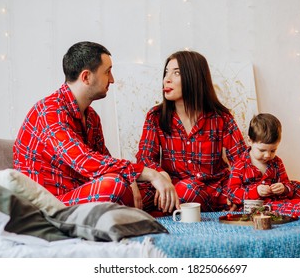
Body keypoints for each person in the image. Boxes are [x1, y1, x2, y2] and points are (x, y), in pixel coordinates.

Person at [13, 41, 179, 213]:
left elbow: (103, 159)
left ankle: (129, 210)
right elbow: (84, 160)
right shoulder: (49, 112)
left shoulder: (92, 117)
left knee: (156, 188)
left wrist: (132, 179)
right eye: (107, 72)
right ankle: (129, 210)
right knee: (115, 185)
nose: (113, 80)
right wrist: (148, 173)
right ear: (86, 77)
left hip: (83, 191)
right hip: (50, 203)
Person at [135, 50, 247, 212]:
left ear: (194, 77)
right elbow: (144, 158)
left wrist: (237, 192)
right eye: (166, 73)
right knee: (129, 195)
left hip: (214, 189)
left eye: (176, 73)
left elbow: (241, 162)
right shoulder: (156, 116)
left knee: (188, 189)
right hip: (171, 188)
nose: (166, 79)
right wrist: (161, 175)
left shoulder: (221, 117)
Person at [226, 113, 300, 217]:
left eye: (273, 150)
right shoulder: (240, 165)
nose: (268, 155)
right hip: (259, 206)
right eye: (262, 150)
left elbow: (287, 185)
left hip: (278, 197)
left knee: (296, 185)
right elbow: (232, 193)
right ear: (250, 141)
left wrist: (283, 188)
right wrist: (255, 191)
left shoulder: (277, 162)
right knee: (281, 206)